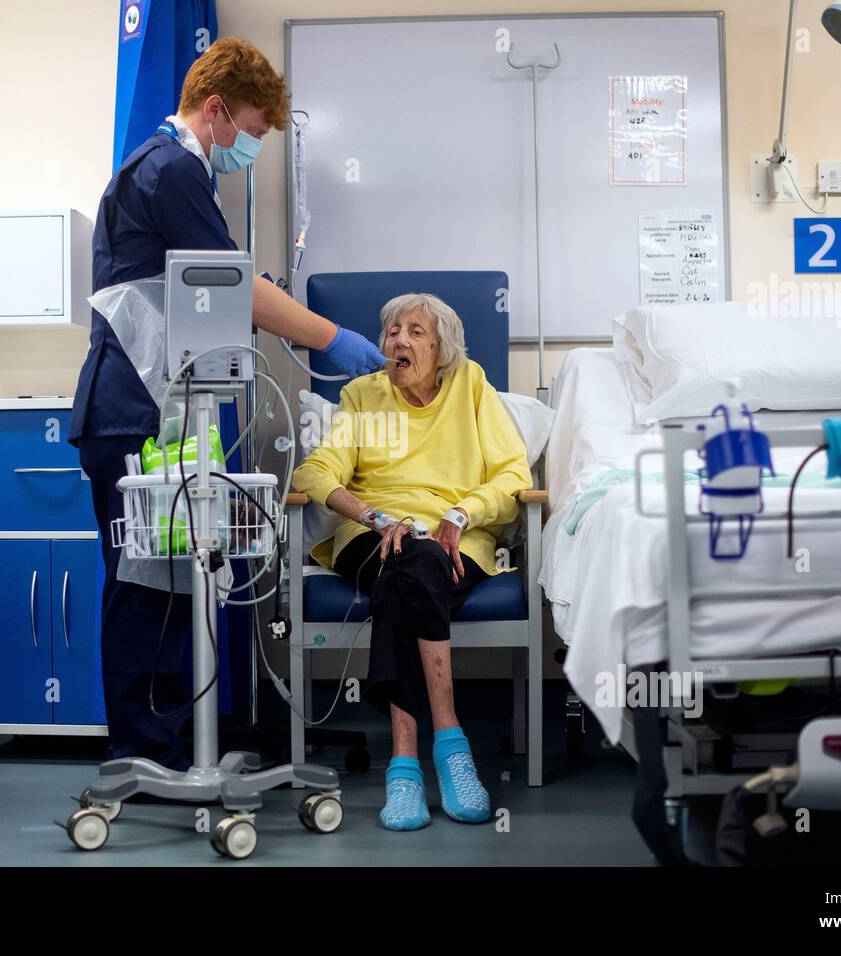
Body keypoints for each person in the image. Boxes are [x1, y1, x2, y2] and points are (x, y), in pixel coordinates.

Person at [70, 37, 385, 768]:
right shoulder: (170, 169)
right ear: (215, 112)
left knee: (171, 577)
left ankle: (167, 750)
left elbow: (207, 289)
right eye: (250, 130)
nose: (250, 147)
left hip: (152, 410)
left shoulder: (167, 170)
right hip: (131, 414)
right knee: (144, 584)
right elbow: (233, 287)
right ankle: (141, 757)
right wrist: (329, 337)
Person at [291, 293, 533, 830]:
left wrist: (463, 513)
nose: (398, 341)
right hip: (371, 536)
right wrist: (375, 517)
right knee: (411, 559)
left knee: (411, 568)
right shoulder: (360, 395)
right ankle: (450, 739)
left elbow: (513, 475)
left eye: (415, 332)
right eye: (392, 331)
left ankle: (404, 764)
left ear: (443, 347)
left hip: (454, 538)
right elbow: (315, 472)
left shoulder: (471, 386)